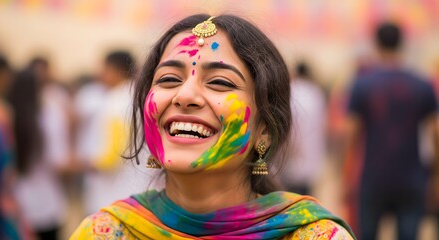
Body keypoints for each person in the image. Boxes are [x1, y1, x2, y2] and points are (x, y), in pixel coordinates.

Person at [71, 14, 355, 239]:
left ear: (264, 129)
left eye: (220, 82)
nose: (184, 96)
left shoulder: (315, 236)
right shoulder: (102, 233)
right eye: (169, 79)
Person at [344, 22, 439, 239]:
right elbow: (435, 134)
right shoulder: (422, 84)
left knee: (366, 235)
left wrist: (346, 176)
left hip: (373, 178)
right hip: (412, 178)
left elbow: (350, 135)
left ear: (375, 44)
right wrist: (436, 177)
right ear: (402, 45)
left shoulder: (363, 84)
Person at [75, 51, 150, 215]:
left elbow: (110, 157)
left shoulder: (116, 102)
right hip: (135, 192)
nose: (100, 75)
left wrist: (81, 164)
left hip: (111, 195)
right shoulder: (139, 97)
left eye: (104, 69)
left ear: (115, 70)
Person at [10, 57, 71, 240]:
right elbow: (59, 162)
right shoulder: (50, 115)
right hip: (46, 205)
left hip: (14, 206)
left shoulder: (6, 115)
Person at [279, 61, 327, 196]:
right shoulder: (317, 93)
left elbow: (291, 128)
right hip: (312, 164)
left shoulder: (292, 92)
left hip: (291, 163)